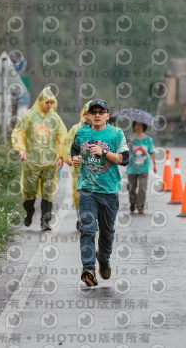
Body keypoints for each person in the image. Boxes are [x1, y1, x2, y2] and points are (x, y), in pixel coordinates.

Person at [71, 99, 129, 287]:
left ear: (107, 115)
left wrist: (104, 152)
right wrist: (76, 158)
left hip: (109, 191)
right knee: (87, 228)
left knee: (107, 232)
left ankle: (103, 258)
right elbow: (74, 149)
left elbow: (124, 159)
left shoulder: (116, 134)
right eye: (93, 112)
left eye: (100, 112)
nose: (96, 115)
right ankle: (88, 269)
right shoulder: (81, 133)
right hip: (87, 190)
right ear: (87, 115)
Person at [11, 86, 67, 231]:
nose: (48, 105)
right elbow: (19, 132)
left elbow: (62, 137)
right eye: (46, 102)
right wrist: (21, 149)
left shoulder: (55, 119)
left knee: (48, 190)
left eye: (51, 102)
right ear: (40, 101)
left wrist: (61, 155)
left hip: (49, 162)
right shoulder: (30, 115)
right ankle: (29, 212)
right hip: (31, 161)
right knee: (29, 191)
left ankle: (45, 221)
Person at [64, 101, 92, 231]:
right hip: (78, 169)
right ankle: (81, 218)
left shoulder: (101, 129)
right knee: (78, 194)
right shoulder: (76, 129)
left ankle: (91, 219)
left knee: (93, 195)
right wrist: (68, 158)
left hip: (95, 170)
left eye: (91, 113)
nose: (89, 116)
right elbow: (67, 144)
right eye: (87, 113)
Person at [127, 121, 157, 214]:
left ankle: (140, 207)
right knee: (132, 188)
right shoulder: (130, 138)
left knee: (142, 188)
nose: (138, 127)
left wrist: (155, 165)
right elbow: (124, 151)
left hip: (144, 168)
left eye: (140, 125)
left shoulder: (148, 139)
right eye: (136, 125)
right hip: (132, 168)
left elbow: (152, 152)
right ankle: (132, 203)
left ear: (144, 127)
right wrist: (130, 143)